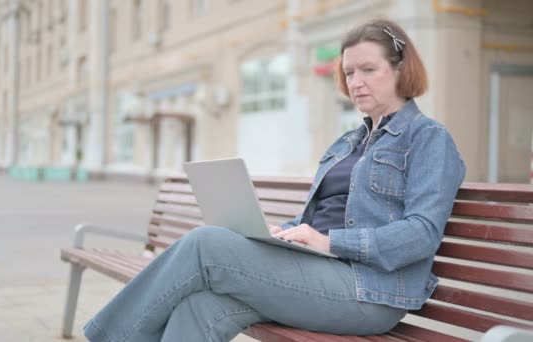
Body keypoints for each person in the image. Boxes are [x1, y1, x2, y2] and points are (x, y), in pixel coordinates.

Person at [83, 18, 466, 341]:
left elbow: (421, 233)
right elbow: (316, 221)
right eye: (349, 72)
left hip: (371, 292)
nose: (356, 81)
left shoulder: (428, 138)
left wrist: (330, 242)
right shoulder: (346, 143)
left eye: (369, 69)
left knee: (206, 245)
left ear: (400, 69)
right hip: (320, 272)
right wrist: (280, 232)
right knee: (201, 306)